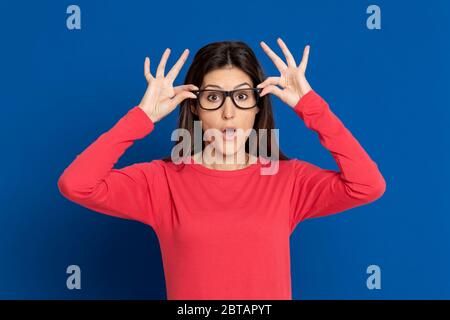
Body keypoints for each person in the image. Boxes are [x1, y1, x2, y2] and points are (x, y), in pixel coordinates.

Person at [57, 38, 386, 300]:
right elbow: (77, 184)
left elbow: (367, 185)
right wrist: (142, 117)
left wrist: (310, 105)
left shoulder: (289, 180)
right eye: (214, 97)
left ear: (258, 107)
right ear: (196, 108)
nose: (229, 112)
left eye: (242, 96)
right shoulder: (160, 181)